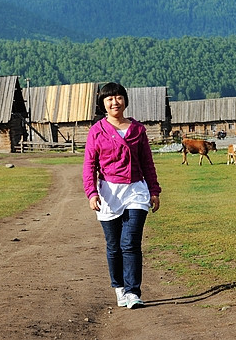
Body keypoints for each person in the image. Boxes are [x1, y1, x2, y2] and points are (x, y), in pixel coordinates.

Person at [82, 82, 161, 309]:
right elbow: (89, 164)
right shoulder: (96, 131)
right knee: (114, 245)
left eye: (118, 97)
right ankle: (119, 287)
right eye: (109, 99)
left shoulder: (137, 130)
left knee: (131, 242)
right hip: (109, 192)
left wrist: (153, 190)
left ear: (125, 100)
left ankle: (133, 292)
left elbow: (147, 162)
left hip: (136, 189)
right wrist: (91, 192)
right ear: (103, 104)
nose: (114, 102)